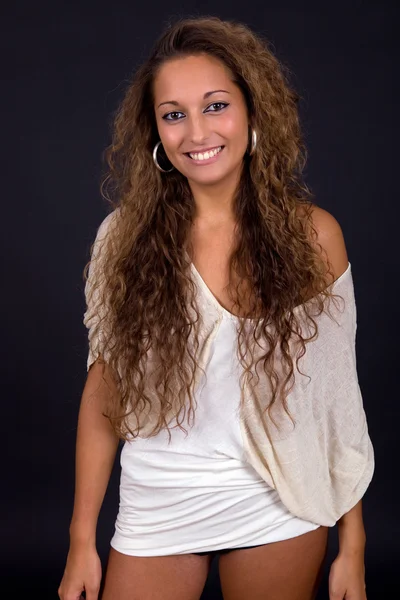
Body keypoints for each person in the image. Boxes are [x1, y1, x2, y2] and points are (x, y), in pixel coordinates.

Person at [58, 15, 374, 600]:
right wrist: (82, 539)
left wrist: (352, 546)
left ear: (253, 112)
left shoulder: (314, 236)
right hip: (160, 500)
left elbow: (336, 403)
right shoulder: (121, 240)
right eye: (173, 114)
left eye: (215, 105)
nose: (196, 132)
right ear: (155, 132)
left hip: (277, 500)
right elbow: (104, 394)